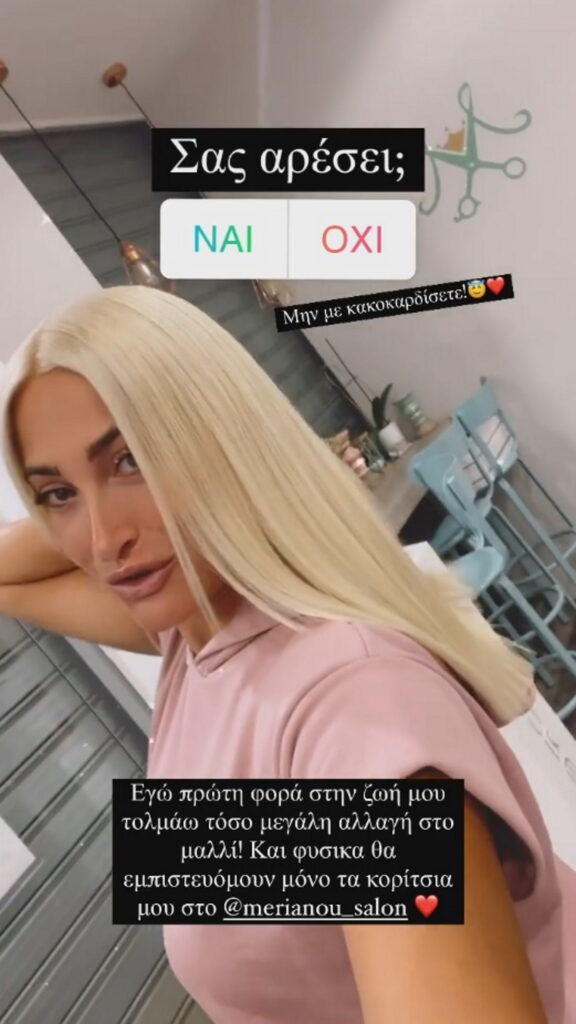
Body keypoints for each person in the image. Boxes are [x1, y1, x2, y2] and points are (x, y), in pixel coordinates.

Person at [0, 284, 573, 1024]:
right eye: (56, 495)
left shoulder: (349, 702)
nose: (104, 540)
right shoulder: (198, 638)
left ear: (226, 440)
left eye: (133, 459)